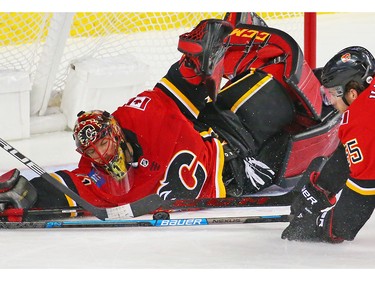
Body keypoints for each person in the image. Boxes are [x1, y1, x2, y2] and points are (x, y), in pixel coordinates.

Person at [0, 18, 281, 221]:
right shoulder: (98, 175)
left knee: (278, 100)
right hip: (238, 180)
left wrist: (204, 48)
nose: (101, 155)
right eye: (92, 152)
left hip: (233, 146)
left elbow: (180, 84)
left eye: (104, 144)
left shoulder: (142, 114)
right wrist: (27, 191)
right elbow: (68, 187)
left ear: (115, 131)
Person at [281, 46, 375, 243]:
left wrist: (321, 226)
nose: (331, 101)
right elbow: (347, 156)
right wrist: (318, 191)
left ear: (352, 93)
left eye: (333, 93)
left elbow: (361, 198)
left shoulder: (361, 121)